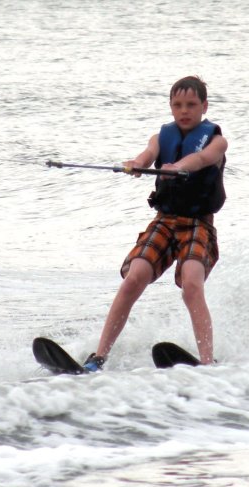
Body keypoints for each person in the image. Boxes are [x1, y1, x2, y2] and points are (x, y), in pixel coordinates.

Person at [83, 76, 227, 370]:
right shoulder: (161, 137)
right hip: (164, 222)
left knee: (191, 284)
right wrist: (136, 164)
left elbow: (200, 159)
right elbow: (148, 155)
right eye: (177, 105)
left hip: (197, 224)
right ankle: (98, 357)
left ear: (204, 106)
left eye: (191, 105)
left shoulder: (216, 140)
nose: (184, 110)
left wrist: (178, 167)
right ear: (171, 107)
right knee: (133, 278)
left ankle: (207, 361)